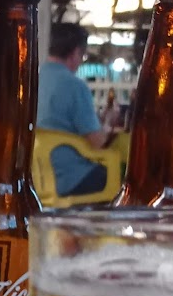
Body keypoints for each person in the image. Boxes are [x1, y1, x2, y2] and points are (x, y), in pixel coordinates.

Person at [37, 21, 120, 196]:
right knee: (123, 175)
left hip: (36, 176)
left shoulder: (32, 79)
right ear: (75, 53)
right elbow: (97, 143)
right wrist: (107, 123)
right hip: (71, 177)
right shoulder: (75, 86)